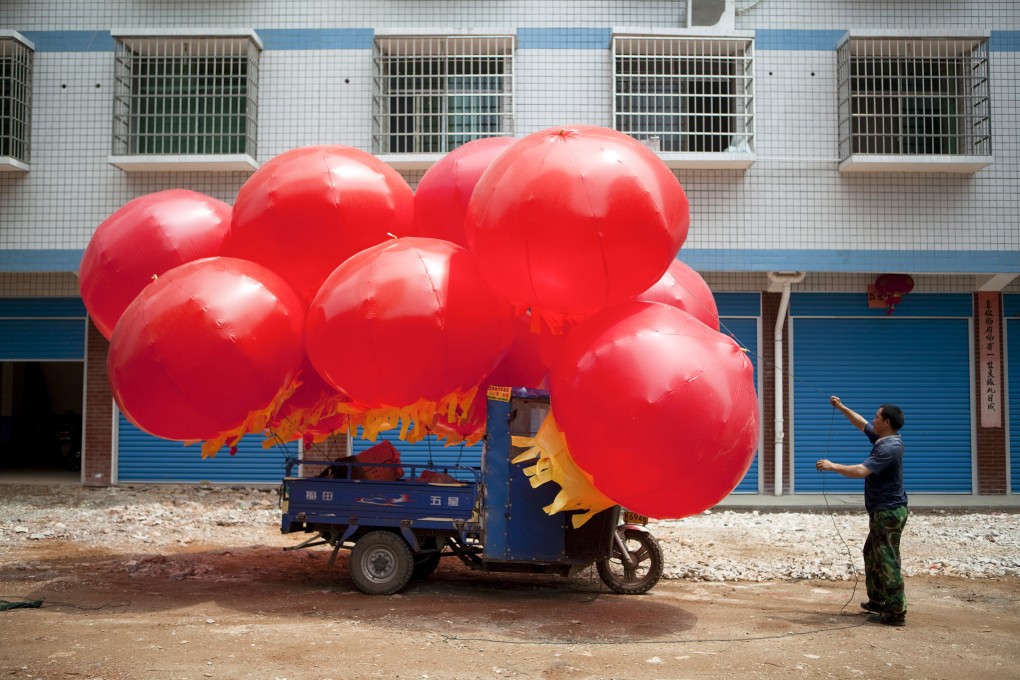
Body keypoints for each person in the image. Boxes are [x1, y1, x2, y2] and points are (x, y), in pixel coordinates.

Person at [816, 396, 908, 627]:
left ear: (886, 422)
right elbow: (860, 423)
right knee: (872, 552)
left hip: (889, 512)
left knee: (887, 559)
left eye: (877, 417)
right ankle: (878, 601)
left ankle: (896, 611)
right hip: (881, 511)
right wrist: (841, 407)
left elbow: (861, 470)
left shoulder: (890, 448)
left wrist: (832, 466)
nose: (873, 420)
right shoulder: (883, 438)